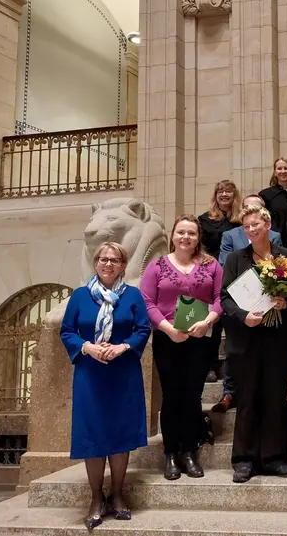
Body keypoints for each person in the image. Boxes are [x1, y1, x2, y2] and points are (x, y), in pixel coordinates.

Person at [60, 242, 151, 529]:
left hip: (123, 373)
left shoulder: (133, 295)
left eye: (114, 260)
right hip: (91, 374)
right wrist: (87, 347)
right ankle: (96, 497)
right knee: (93, 434)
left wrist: (124, 346)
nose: (108, 264)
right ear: (95, 263)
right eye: (102, 259)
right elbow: (67, 331)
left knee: (120, 433)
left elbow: (143, 329)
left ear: (123, 265)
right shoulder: (80, 296)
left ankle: (117, 494)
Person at [139, 214, 223, 481]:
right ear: (172, 236)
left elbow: (221, 297)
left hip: (201, 338)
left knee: (192, 395)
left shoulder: (211, 265)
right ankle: (171, 454)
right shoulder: (157, 265)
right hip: (168, 338)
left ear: (199, 238)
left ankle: (189, 451)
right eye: (181, 232)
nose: (186, 237)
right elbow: (146, 301)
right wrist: (168, 329)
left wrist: (208, 320)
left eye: (192, 233)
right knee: (172, 396)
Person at [220, 205, 287, 481]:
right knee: (247, 398)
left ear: (267, 224)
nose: (251, 230)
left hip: (278, 340)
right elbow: (225, 299)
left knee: (275, 398)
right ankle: (244, 460)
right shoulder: (234, 259)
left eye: (256, 224)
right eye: (246, 227)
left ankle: (275, 458)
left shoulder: (286, 257)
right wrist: (244, 317)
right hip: (247, 339)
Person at [212, 194, 283, 414]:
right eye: (247, 224)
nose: (251, 228)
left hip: (270, 314)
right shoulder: (230, 237)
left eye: (256, 212)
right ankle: (230, 393)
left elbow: (281, 268)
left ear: (266, 219)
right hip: (241, 309)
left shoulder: (277, 238)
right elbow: (225, 265)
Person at [198, 180, 241, 383]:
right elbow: (199, 248)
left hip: (237, 278)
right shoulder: (204, 220)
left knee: (232, 324)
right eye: (220, 191)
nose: (224, 194)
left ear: (234, 195)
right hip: (211, 276)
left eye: (228, 191)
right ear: (215, 195)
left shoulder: (241, 220)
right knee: (212, 326)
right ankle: (209, 365)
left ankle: (232, 367)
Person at [260, 157, 287, 246]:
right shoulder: (265, 195)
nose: (283, 171)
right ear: (275, 172)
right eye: (279, 168)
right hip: (274, 242)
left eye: (286, 168)